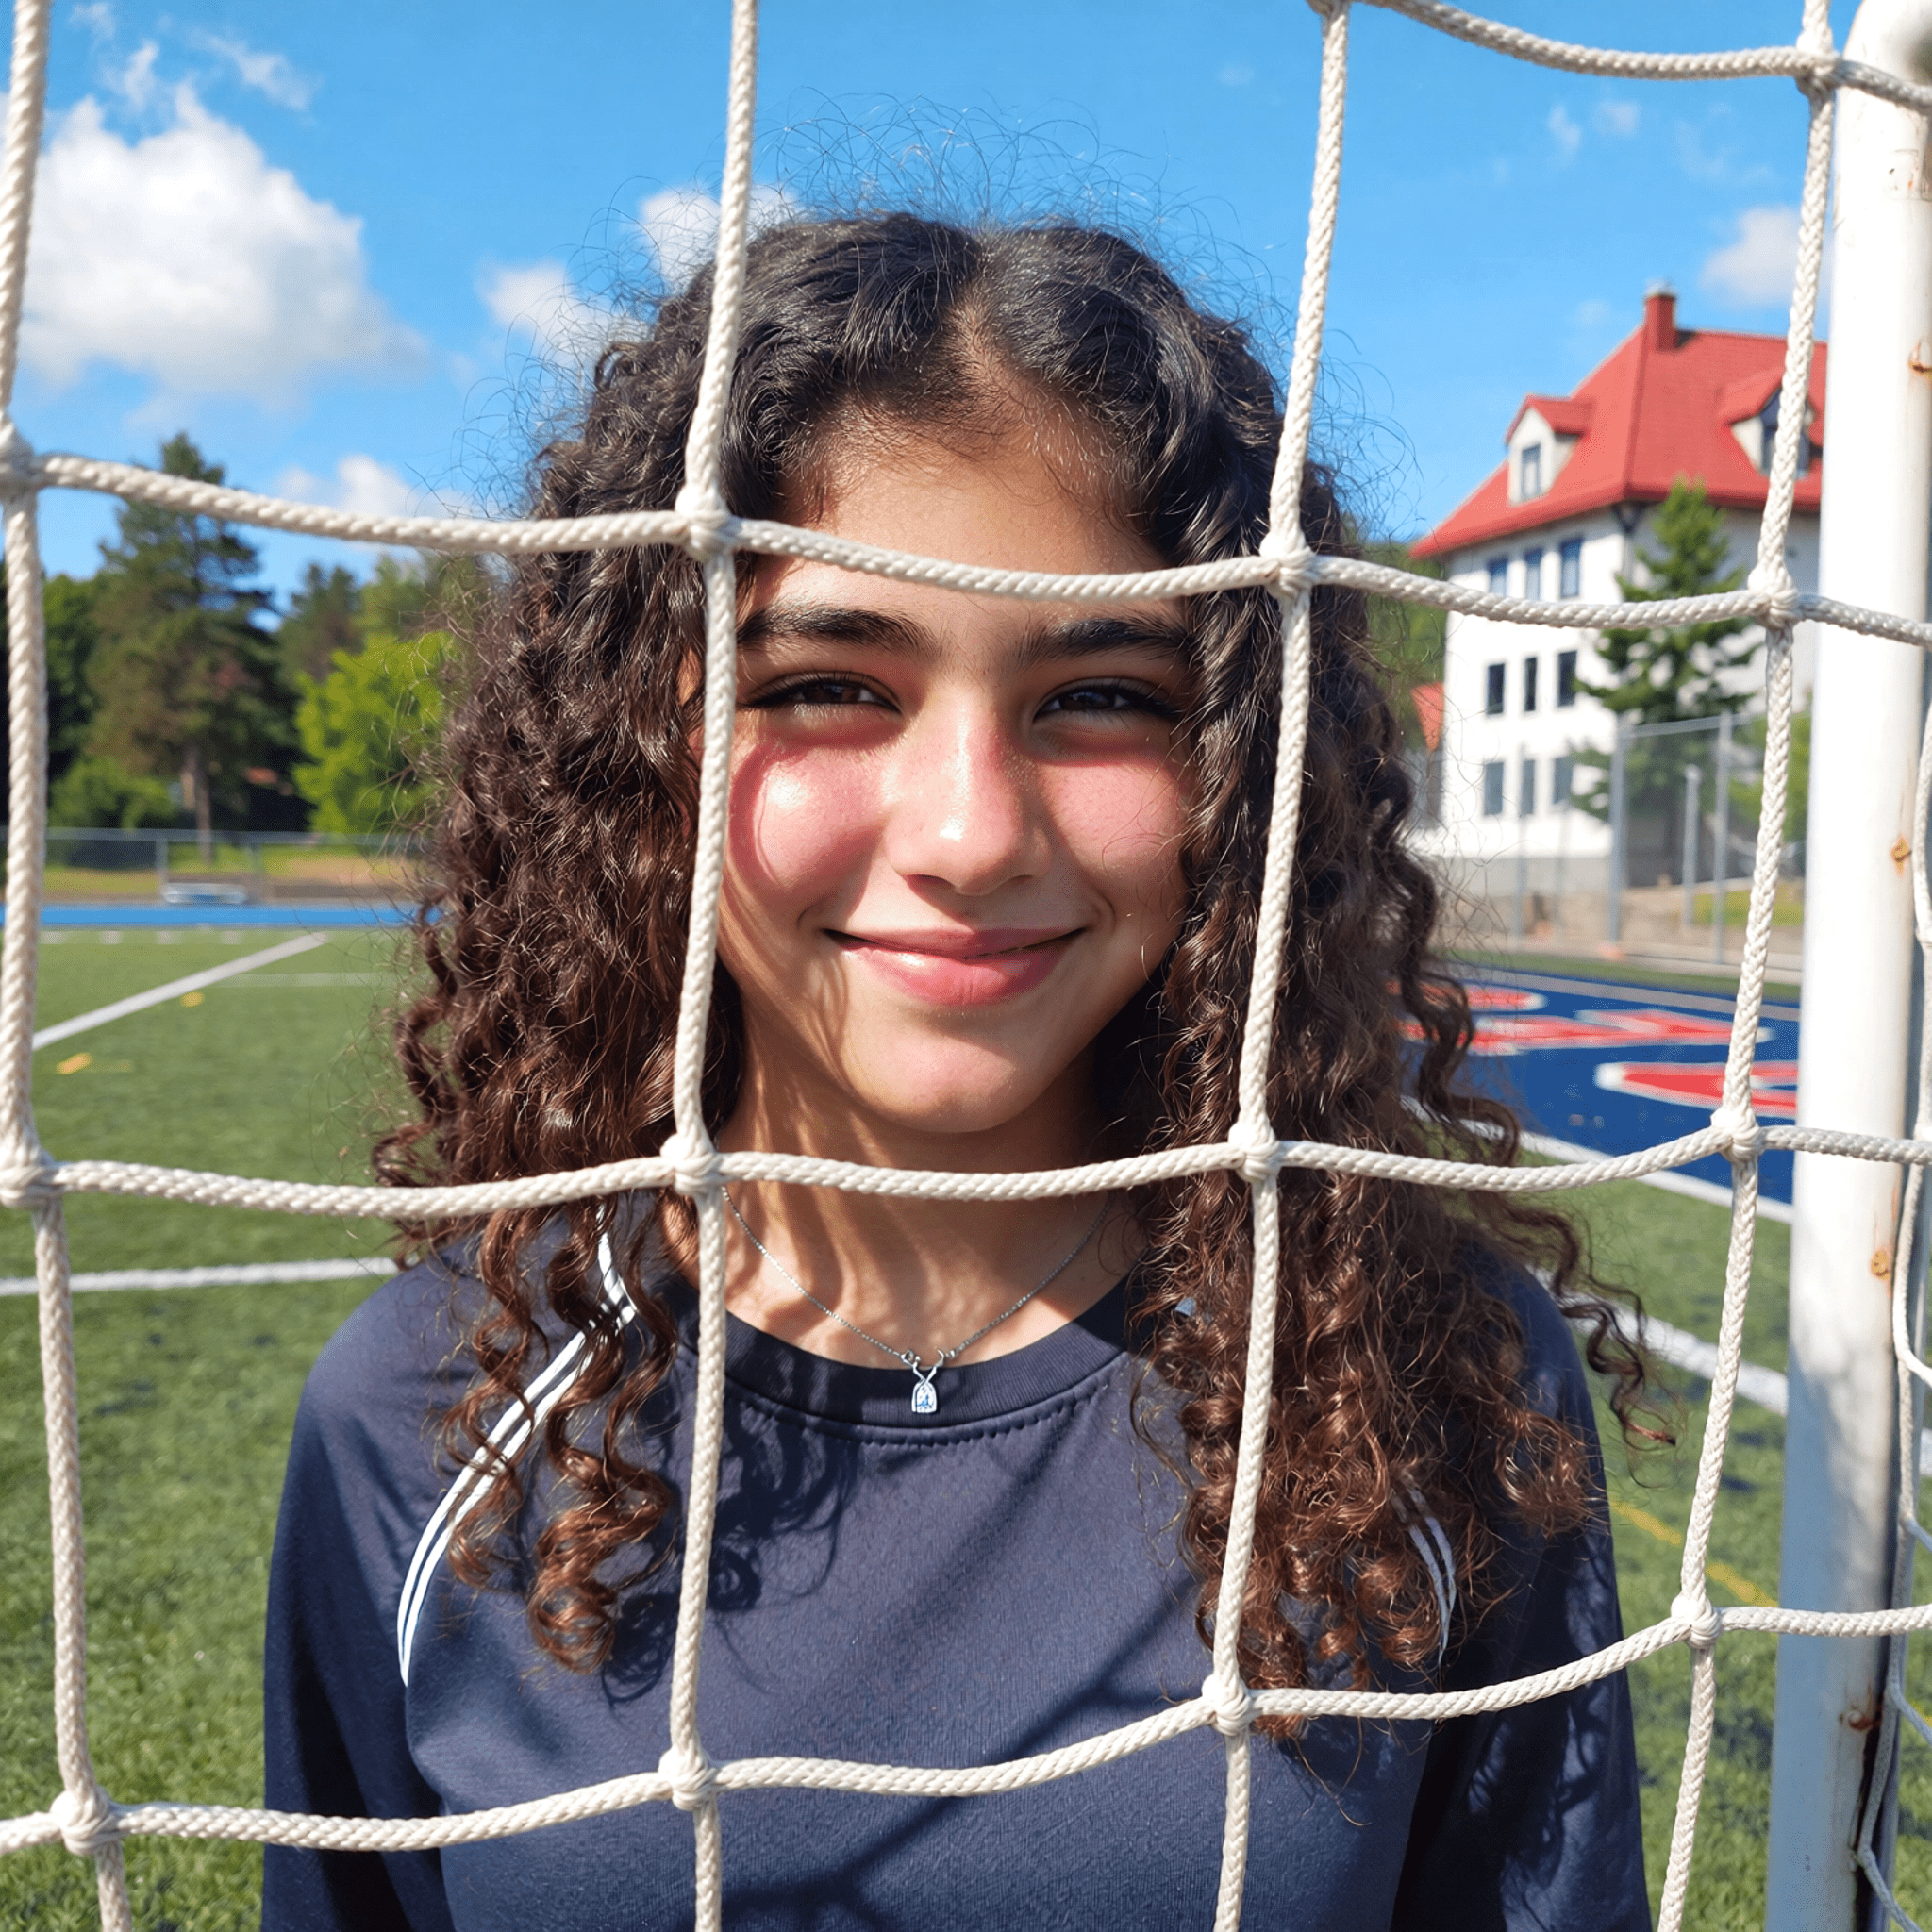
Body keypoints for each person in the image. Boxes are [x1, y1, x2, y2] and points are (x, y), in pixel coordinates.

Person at [263, 212, 1654, 1931]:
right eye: (836, 683)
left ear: (1243, 763)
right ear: (641, 754)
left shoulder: (1421, 1384)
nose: (972, 835)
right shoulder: (428, 1422)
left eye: (1099, 698)